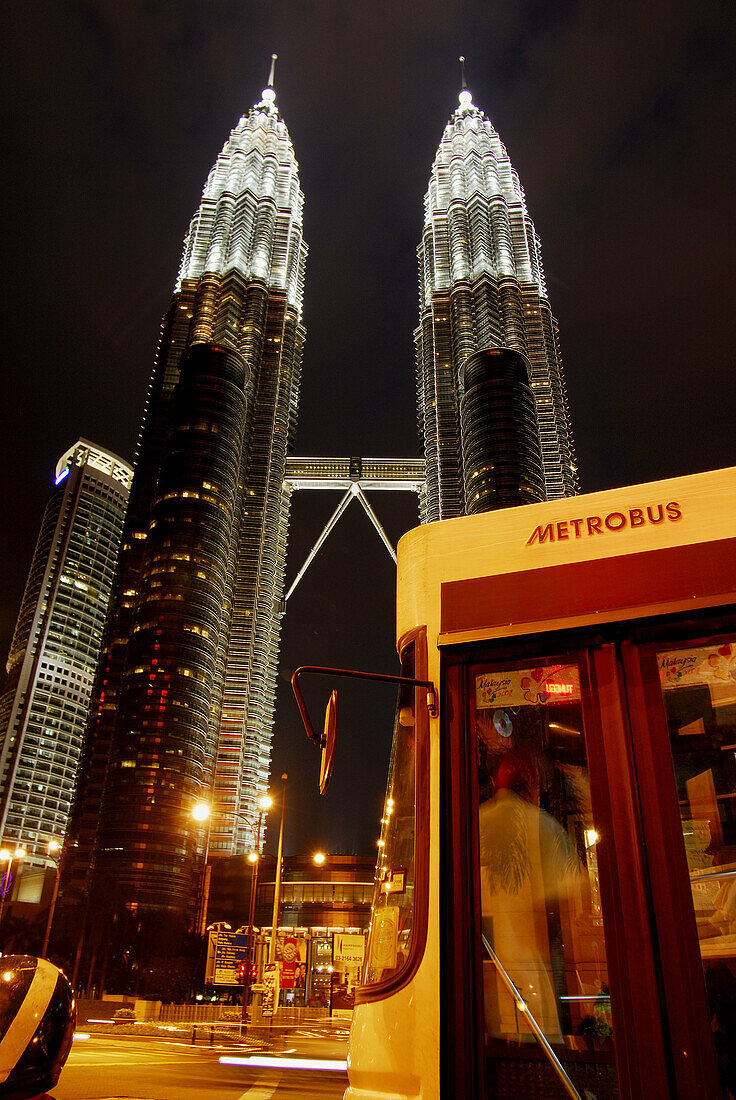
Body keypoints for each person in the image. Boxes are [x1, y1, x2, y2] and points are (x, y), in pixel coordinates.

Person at [479, 749, 584, 1042]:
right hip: (534, 982)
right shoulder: (543, 827)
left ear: (495, 781)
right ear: (532, 785)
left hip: (484, 988)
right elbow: (573, 897)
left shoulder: (474, 825)